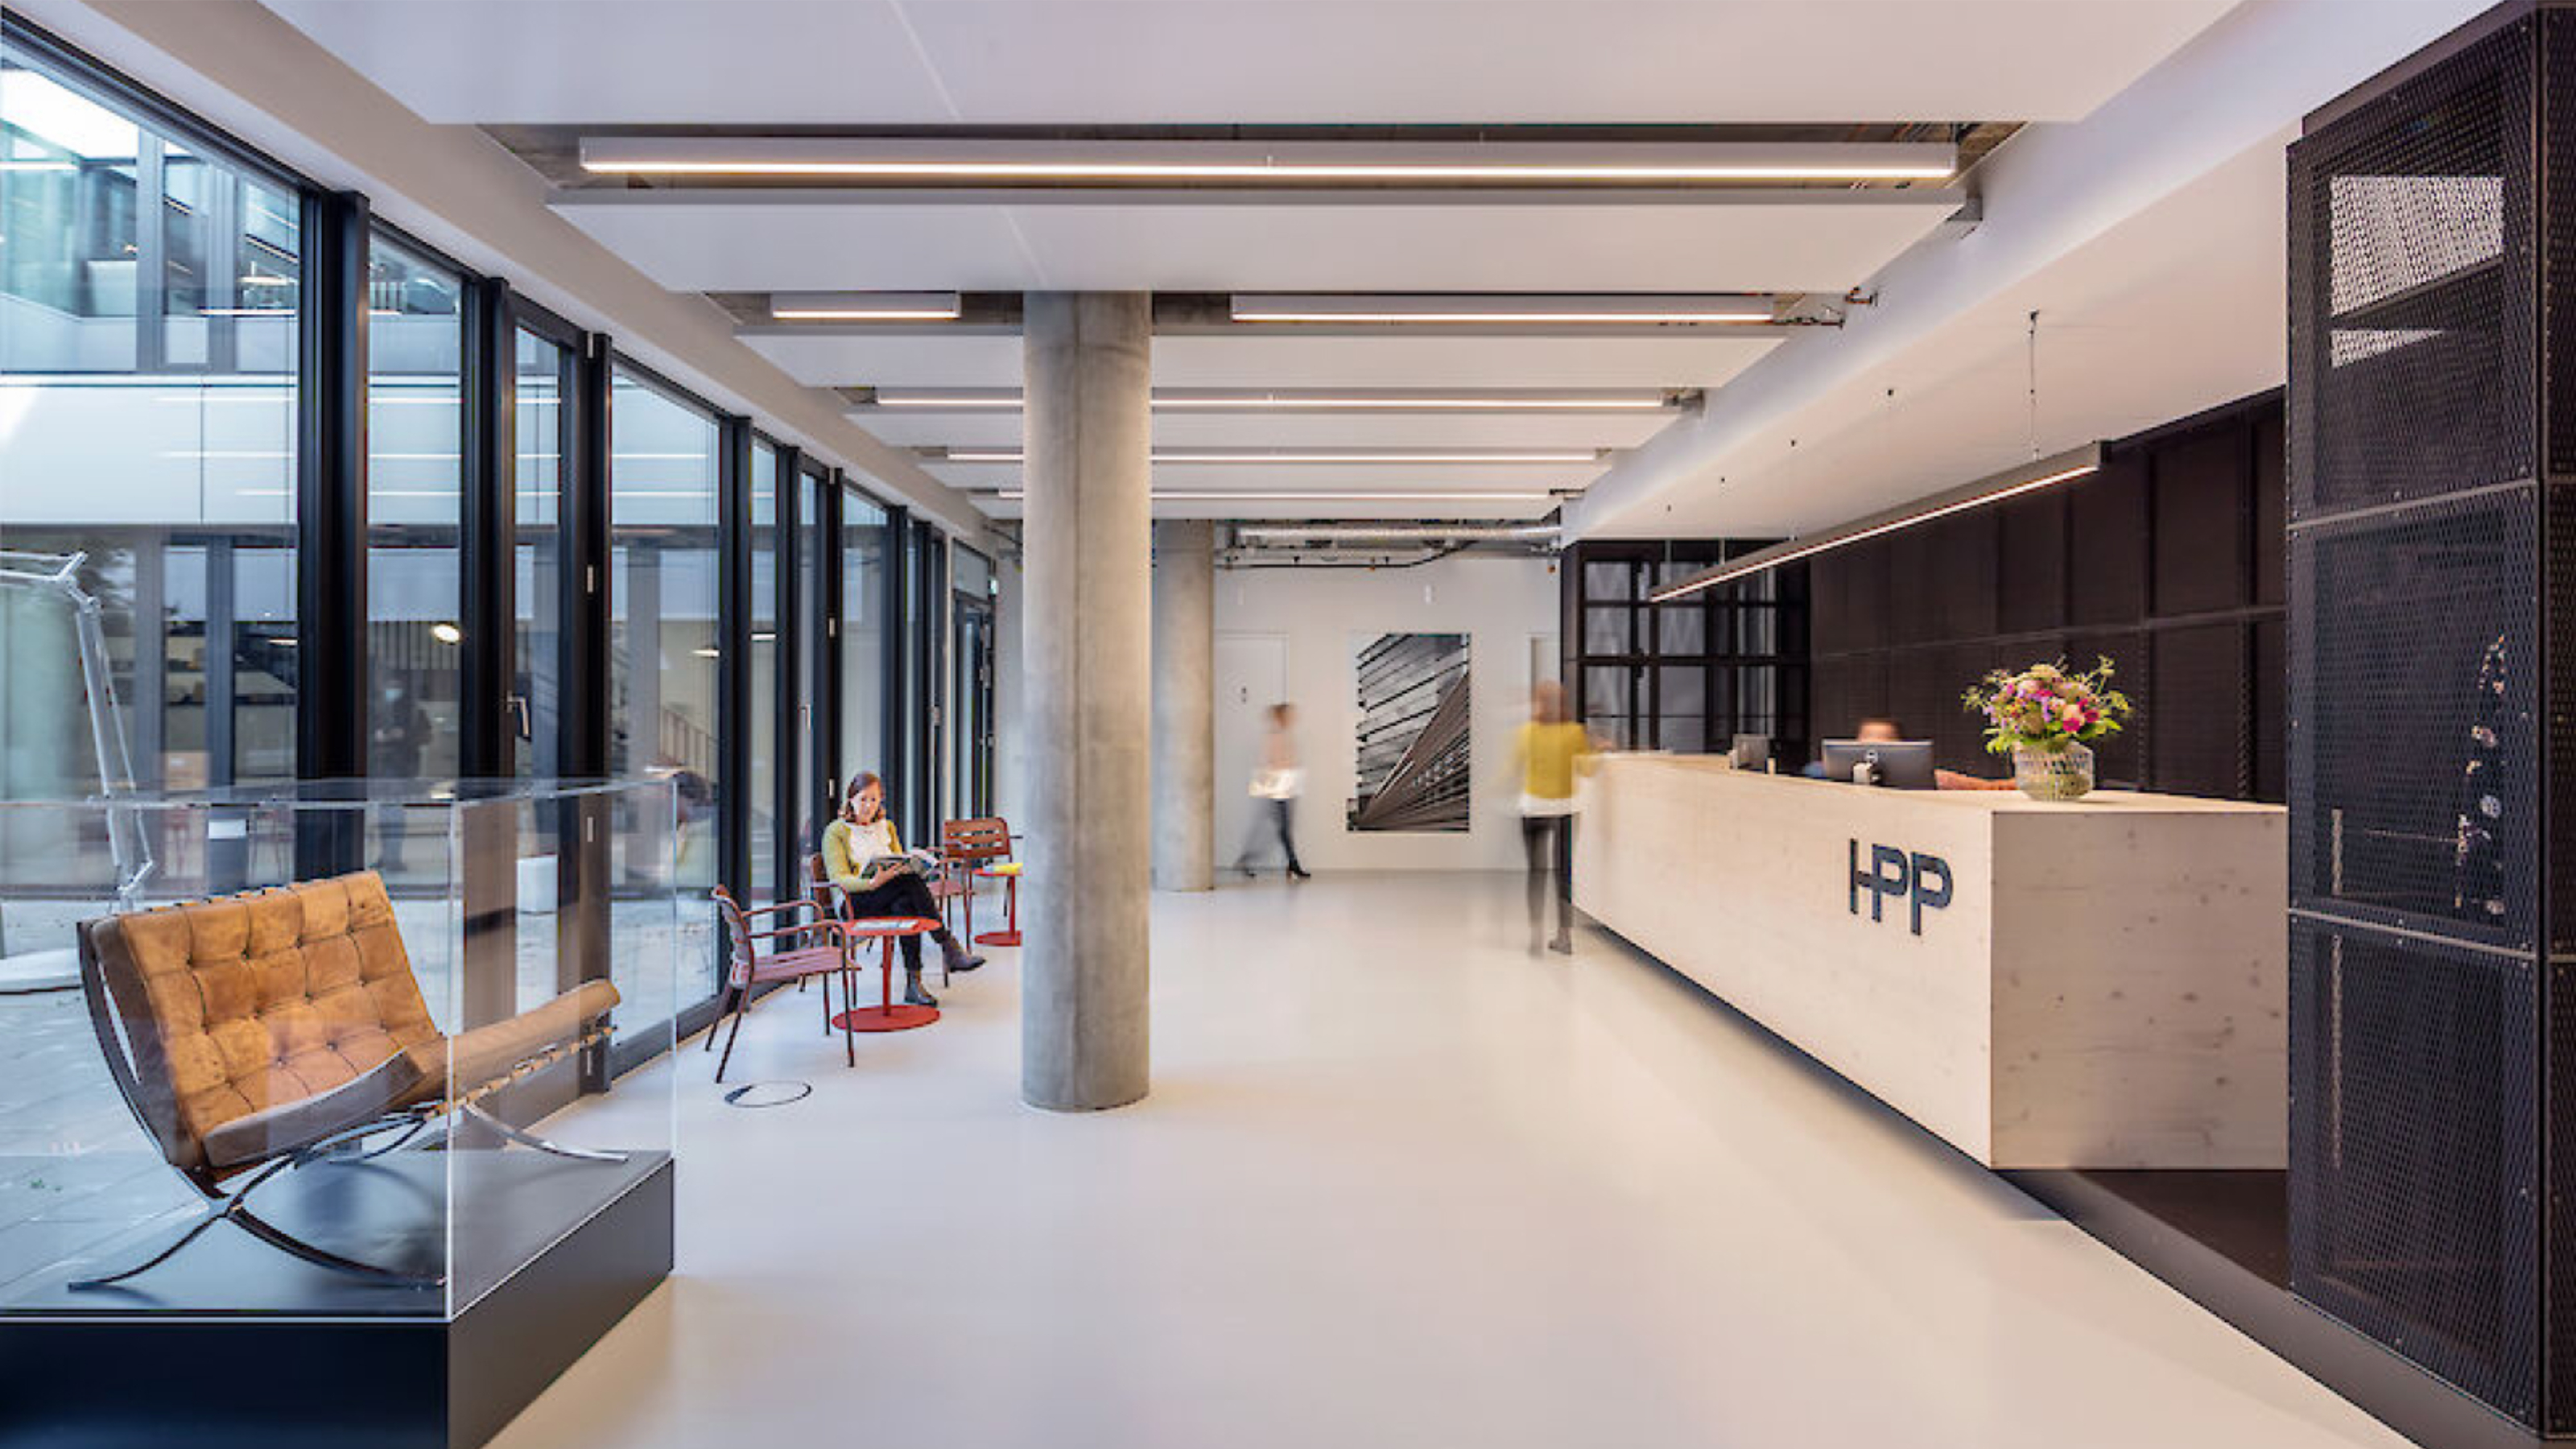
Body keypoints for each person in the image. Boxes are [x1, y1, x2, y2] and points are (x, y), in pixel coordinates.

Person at [822, 773, 984, 1007]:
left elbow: (899, 862)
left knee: (905, 904)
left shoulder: (887, 827)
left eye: (874, 800)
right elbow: (839, 879)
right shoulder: (835, 832)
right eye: (863, 799)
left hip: (888, 896)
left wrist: (911, 866)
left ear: (880, 800)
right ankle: (947, 946)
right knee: (909, 884)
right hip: (854, 902)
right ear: (851, 800)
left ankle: (914, 984)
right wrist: (872, 883)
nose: (868, 806)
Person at [1511, 682, 1600, 956]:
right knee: (1564, 873)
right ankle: (1564, 936)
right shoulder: (1575, 732)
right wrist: (1598, 749)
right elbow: (1587, 771)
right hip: (1564, 809)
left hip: (1533, 808)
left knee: (1536, 872)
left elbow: (1515, 766)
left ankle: (1535, 934)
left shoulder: (1526, 732)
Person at [1234, 702, 1311, 881]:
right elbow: (1270, 761)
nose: (1293, 718)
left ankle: (1287, 864)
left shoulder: (1284, 734)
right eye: (1289, 715)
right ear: (1281, 717)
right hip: (1278, 786)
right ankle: (1291, 864)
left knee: (1281, 829)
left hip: (1285, 785)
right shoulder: (1275, 736)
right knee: (1281, 829)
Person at [1802, 717, 1901, 779]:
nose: (1873, 743)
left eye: (1882, 738)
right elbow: (1813, 769)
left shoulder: (1906, 776)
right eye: (1867, 736)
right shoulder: (1834, 769)